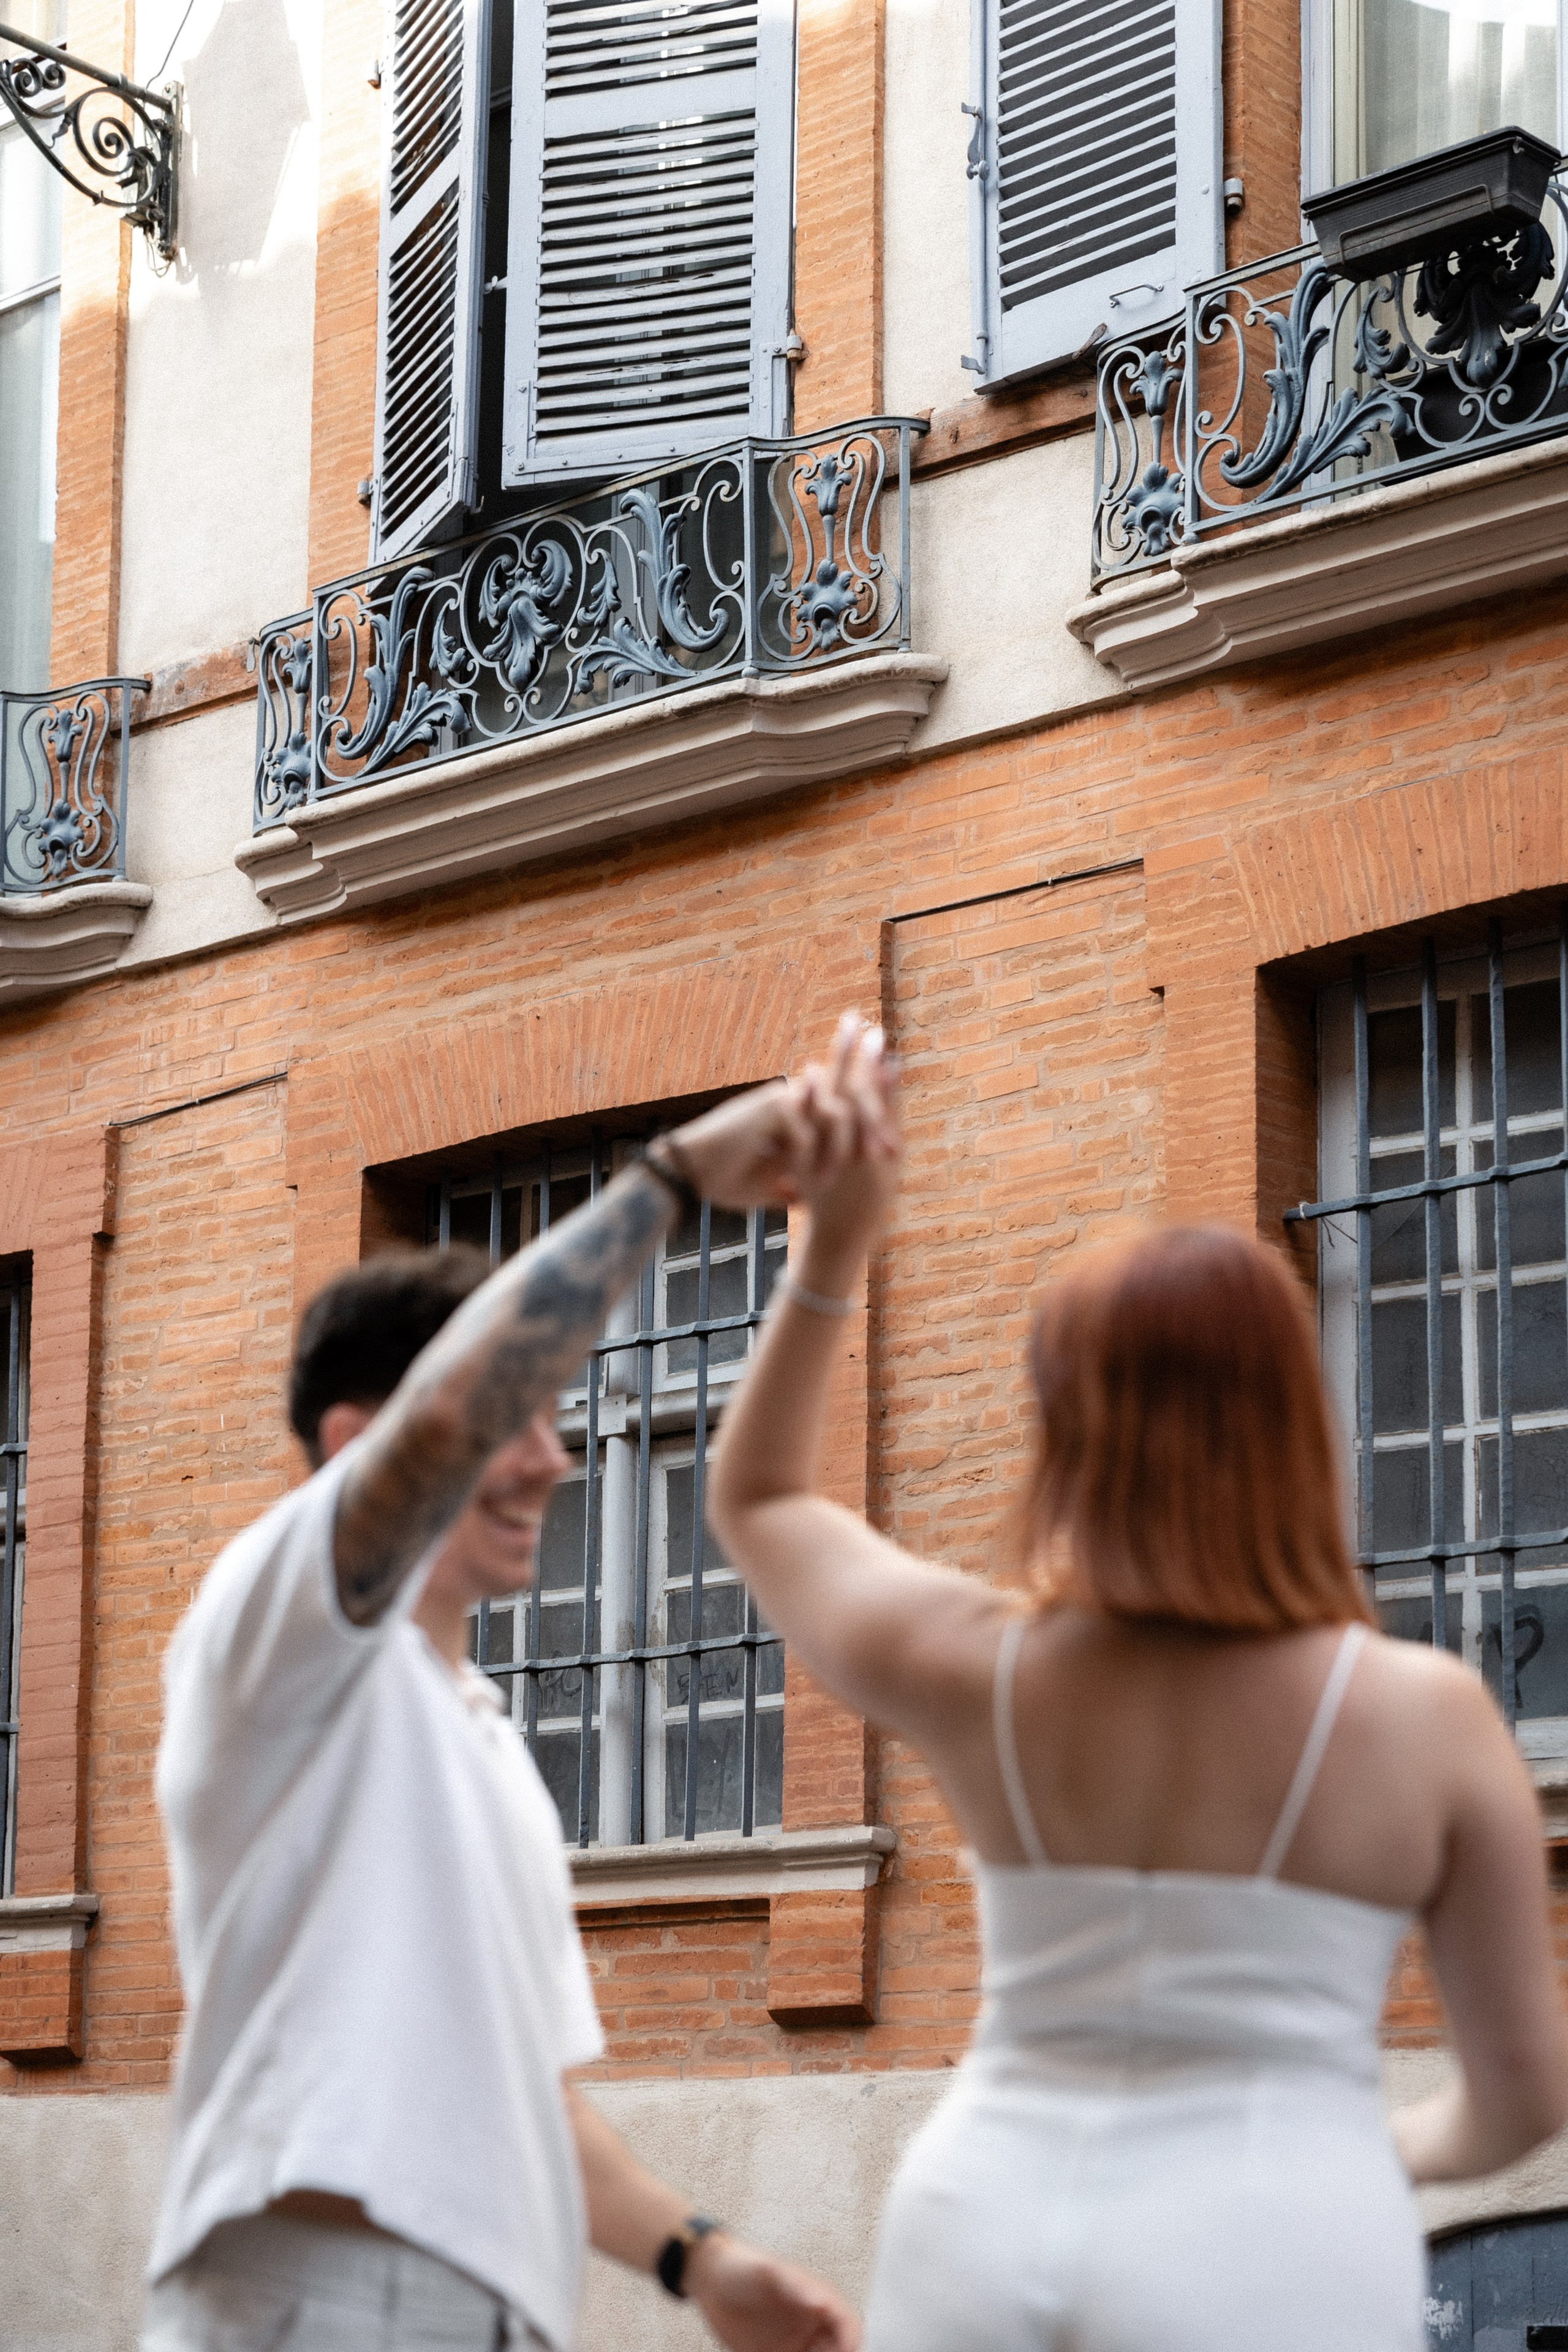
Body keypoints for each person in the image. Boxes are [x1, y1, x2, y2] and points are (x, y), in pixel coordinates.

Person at [709, 1016, 1568, 2352]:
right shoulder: (1423, 1717)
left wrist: (827, 1245)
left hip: (980, 2213)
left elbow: (759, 1500)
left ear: (1063, 1427)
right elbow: (1520, 2101)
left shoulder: (975, 1665)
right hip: (1273, 2238)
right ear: (1297, 1414)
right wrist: (1359, 2152)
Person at [142, 1079, 862, 2352]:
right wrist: (677, 1177)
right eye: (518, 1418)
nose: (552, 1456)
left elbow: (523, 2095)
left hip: (486, 2310)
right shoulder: (271, 1633)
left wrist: (699, 2262)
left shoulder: (474, 1727)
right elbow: (450, 1414)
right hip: (326, 2295)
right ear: (361, 1441)